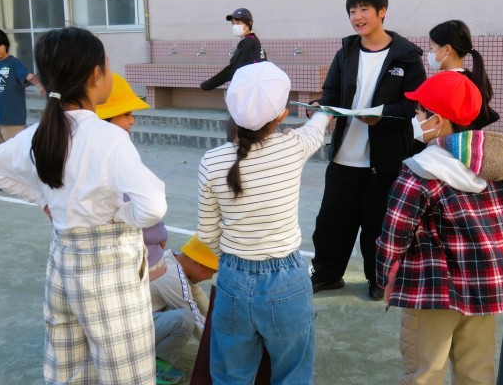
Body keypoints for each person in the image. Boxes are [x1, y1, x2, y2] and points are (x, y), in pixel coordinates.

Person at [0, 27, 167, 384]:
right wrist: (121, 213)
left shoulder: (39, 133)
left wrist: (42, 199)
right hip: (109, 270)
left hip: (62, 264)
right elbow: (153, 207)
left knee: (69, 369)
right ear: (95, 74)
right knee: (125, 372)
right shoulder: (109, 137)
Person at [375, 71, 503, 384]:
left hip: (433, 292)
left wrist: (387, 279)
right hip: (487, 287)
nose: (415, 118)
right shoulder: (497, 166)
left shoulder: (420, 172)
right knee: (476, 372)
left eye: (419, 112)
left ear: (437, 121)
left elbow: (395, 235)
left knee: (425, 372)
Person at [198, 61, 330, 384]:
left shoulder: (211, 161)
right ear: (282, 115)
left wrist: (234, 257)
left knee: (231, 374)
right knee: (293, 372)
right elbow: (317, 127)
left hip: (233, 276)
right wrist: (322, 112)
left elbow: (208, 234)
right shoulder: (292, 146)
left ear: (230, 107)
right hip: (287, 278)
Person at [309, 0, 427, 300]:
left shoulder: (406, 57)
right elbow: (332, 92)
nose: (357, 17)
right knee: (331, 223)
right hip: (344, 157)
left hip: (385, 161)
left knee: (379, 226)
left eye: (364, 9)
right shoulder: (346, 53)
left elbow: (413, 105)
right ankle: (326, 274)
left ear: (382, 11)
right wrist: (323, 105)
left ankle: (379, 279)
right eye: (352, 11)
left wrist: (382, 115)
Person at [96, 73, 183, 385]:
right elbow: (151, 211)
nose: (132, 121)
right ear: (105, 118)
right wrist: (156, 235)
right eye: (126, 114)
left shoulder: (86, 151)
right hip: (126, 264)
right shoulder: (117, 155)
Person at [149, 234, 218, 384]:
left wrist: (219, 323)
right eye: (213, 271)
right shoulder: (173, 277)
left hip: (137, 324)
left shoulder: (172, 261)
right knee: (185, 319)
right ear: (200, 264)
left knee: (180, 311)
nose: (210, 277)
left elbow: (201, 301)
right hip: (130, 335)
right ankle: (154, 367)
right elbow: (197, 321)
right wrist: (223, 349)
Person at [427, 19, 499, 129]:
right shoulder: (468, 77)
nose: (430, 53)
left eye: (431, 48)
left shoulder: (449, 83)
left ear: (447, 50)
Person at [0, 27, 45, 145]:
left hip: (13, 120)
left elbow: (28, 75)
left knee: (16, 151)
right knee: (0, 152)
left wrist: (39, 84)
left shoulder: (14, 63)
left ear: (5, 44)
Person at [199, 7, 267, 91]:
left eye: (238, 23)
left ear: (249, 23)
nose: (235, 26)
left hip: (249, 88)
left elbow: (232, 69)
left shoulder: (247, 42)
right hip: (256, 87)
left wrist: (207, 85)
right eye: (233, 23)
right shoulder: (254, 40)